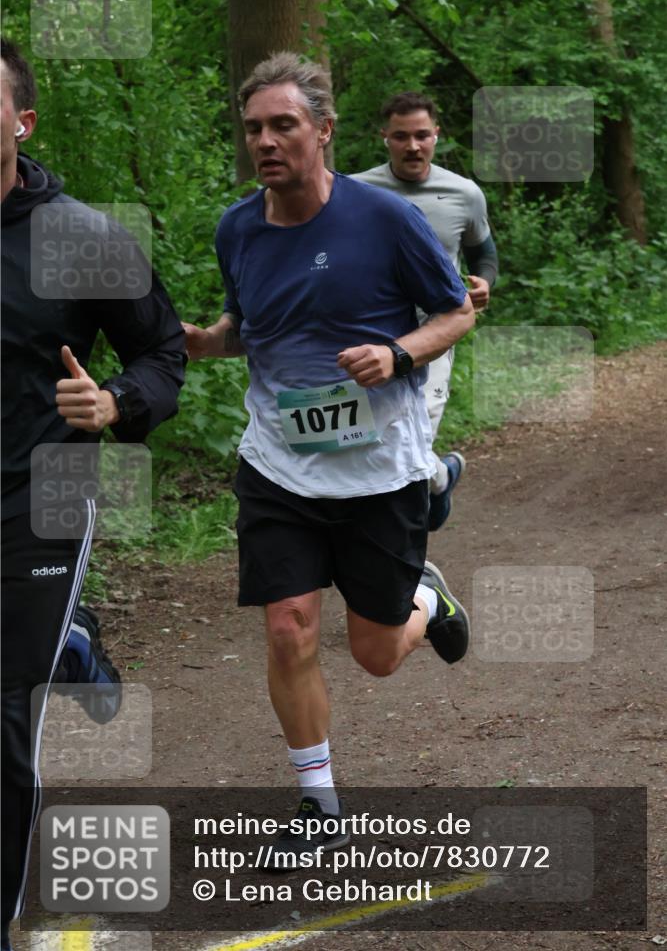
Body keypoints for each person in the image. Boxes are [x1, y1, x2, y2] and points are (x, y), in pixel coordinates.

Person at [183, 52, 475, 865]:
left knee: (376, 656)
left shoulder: (384, 220)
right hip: (279, 465)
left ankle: (425, 598)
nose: (264, 141)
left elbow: (455, 313)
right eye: (253, 128)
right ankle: (318, 803)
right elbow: (248, 327)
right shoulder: (237, 228)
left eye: (282, 125)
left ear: (324, 131)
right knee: (288, 628)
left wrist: (398, 353)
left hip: (377, 469)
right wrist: (204, 342)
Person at [1, 39, 186, 950]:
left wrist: (115, 401)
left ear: (22, 123)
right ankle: (70, 645)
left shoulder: (80, 237)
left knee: (2, 709)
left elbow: (162, 351)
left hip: (37, 499)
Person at [352, 92, 498, 530]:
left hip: (434, 333)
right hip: (367, 334)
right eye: (401, 136)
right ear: (385, 137)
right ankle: (440, 478)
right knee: (370, 440)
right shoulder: (354, 191)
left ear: (436, 135)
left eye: (421, 135)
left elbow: (484, 254)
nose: (413, 146)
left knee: (413, 442)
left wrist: (484, 282)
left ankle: (406, 549)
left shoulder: (464, 193)